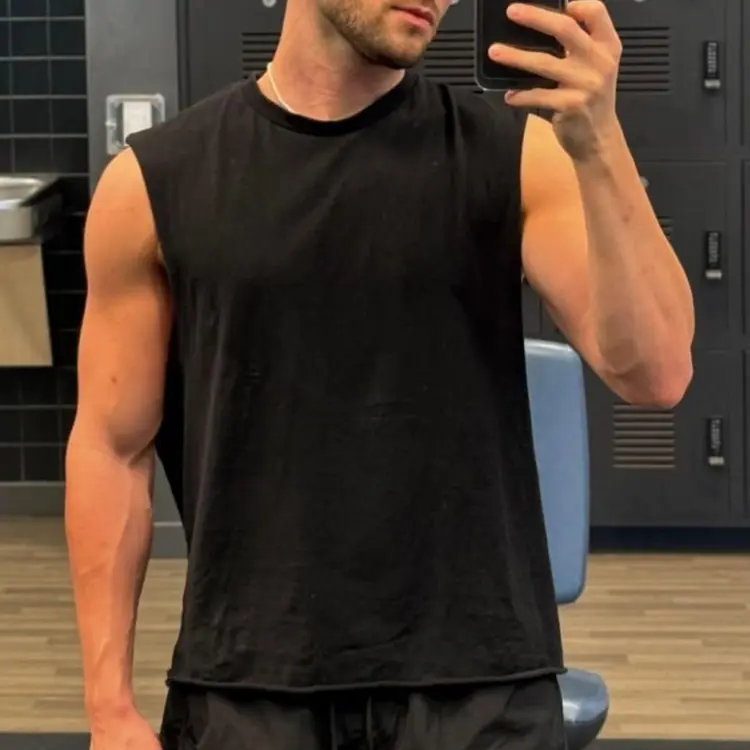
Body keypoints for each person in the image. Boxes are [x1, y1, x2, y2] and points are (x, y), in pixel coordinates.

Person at [66, 0, 694, 748]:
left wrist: (600, 146)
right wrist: (108, 707)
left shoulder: (519, 158)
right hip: (249, 685)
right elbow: (112, 448)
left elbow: (656, 373)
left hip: (477, 686)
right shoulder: (153, 183)